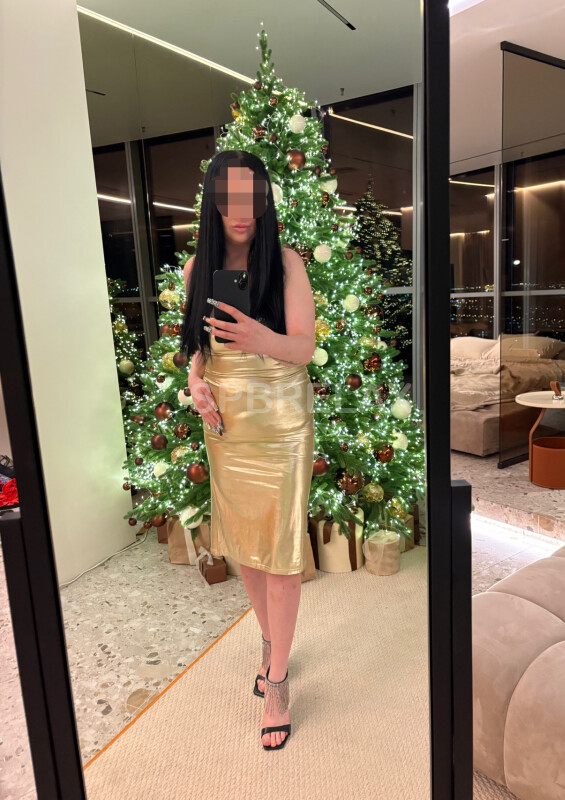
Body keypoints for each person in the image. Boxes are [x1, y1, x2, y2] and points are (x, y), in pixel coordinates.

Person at [180, 149, 316, 750]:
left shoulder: (284, 262)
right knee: (249, 553)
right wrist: (195, 384)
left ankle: (278, 681)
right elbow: (197, 348)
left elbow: (304, 348)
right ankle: (269, 643)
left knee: (281, 553)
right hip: (228, 426)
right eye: (229, 197)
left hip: (282, 424)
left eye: (251, 196)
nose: (241, 210)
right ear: (214, 201)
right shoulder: (197, 268)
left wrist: (262, 338)